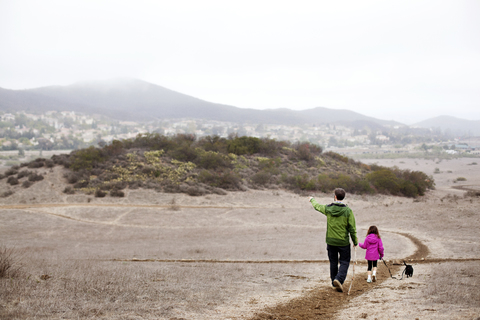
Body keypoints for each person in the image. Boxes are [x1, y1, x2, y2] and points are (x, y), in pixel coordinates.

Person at [309, 188, 358, 292]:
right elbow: (352, 228)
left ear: (335, 196)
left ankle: (334, 283)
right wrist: (355, 241)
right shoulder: (348, 211)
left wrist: (312, 199)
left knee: (333, 262)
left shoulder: (328, 209)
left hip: (331, 241)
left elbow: (317, 206)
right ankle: (338, 279)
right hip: (343, 241)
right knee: (344, 262)